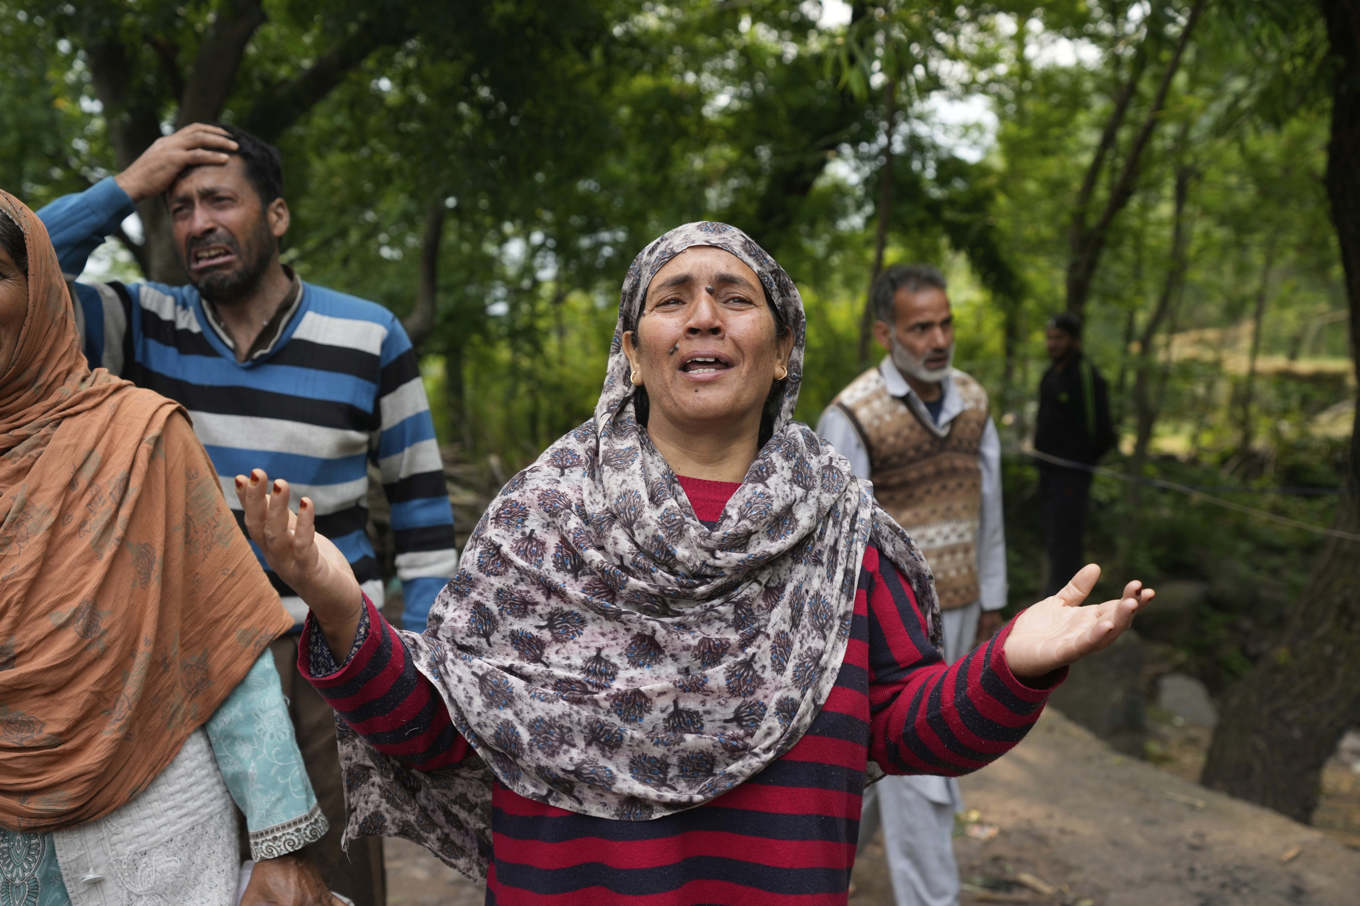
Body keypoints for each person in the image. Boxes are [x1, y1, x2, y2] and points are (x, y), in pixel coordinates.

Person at [235, 222, 1152, 904]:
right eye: (671, 299)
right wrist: (337, 603)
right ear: (632, 354)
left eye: (737, 297)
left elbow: (902, 731)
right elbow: (440, 733)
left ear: (784, 347)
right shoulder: (541, 519)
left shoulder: (844, 532)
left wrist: (1010, 668)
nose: (704, 316)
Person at [37, 124, 461, 906]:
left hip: (330, 663)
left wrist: (420, 666)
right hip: (188, 668)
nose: (198, 224)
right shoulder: (138, 323)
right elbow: (23, 273)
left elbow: (424, 515)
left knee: (334, 888)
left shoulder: (369, 334)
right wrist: (128, 184)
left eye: (220, 201)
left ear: (276, 215)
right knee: (208, 882)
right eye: (180, 208)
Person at [0, 192, 339, 905]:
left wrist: (280, 845)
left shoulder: (135, 437)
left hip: (154, 836)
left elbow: (225, 647)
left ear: (41, 294)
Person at [817, 263, 1005, 905]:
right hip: (883, 628)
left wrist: (994, 601)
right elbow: (832, 537)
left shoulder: (973, 401)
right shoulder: (852, 414)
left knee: (886, 760)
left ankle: (817, 876)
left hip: (961, 608)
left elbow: (990, 507)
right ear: (884, 333)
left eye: (946, 323)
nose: (938, 339)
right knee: (921, 761)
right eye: (920, 327)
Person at [1034, 312, 1115, 597]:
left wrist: (1081, 462)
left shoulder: (1086, 377)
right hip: (1047, 473)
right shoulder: (1049, 376)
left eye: (1059, 338)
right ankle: (1051, 596)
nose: (1052, 344)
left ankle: (1068, 601)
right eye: (1050, 338)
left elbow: (1103, 430)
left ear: (1074, 341)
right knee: (1053, 537)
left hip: (1073, 476)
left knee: (1068, 539)